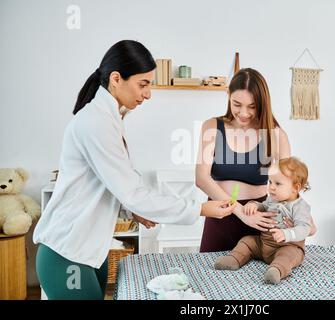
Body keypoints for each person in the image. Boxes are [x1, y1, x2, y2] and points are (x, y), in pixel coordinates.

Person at [33, 40, 235, 300]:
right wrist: (199, 209)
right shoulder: (95, 122)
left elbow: (111, 184)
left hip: (89, 250)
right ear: (116, 79)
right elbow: (132, 192)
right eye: (143, 84)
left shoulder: (109, 118)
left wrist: (133, 209)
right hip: (67, 253)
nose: (148, 94)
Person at [196, 68, 315, 252]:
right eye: (237, 104)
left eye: (252, 106)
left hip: (261, 217)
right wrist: (240, 212)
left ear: (262, 102)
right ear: (228, 96)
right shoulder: (212, 127)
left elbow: (289, 182)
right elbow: (202, 178)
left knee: (259, 278)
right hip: (221, 215)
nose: (244, 113)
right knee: (212, 273)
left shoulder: (275, 134)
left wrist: (305, 218)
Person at [214, 157, 313, 284]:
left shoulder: (300, 207)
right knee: (247, 241)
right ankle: (234, 259)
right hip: (264, 244)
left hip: (287, 246)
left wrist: (286, 234)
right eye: (270, 182)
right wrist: (254, 205)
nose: (271, 187)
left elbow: (304, 229)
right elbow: (263, 206)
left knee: (288, 256)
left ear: (295, 187)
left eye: (277, 184)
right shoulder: (272, 199)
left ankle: (276, 270)